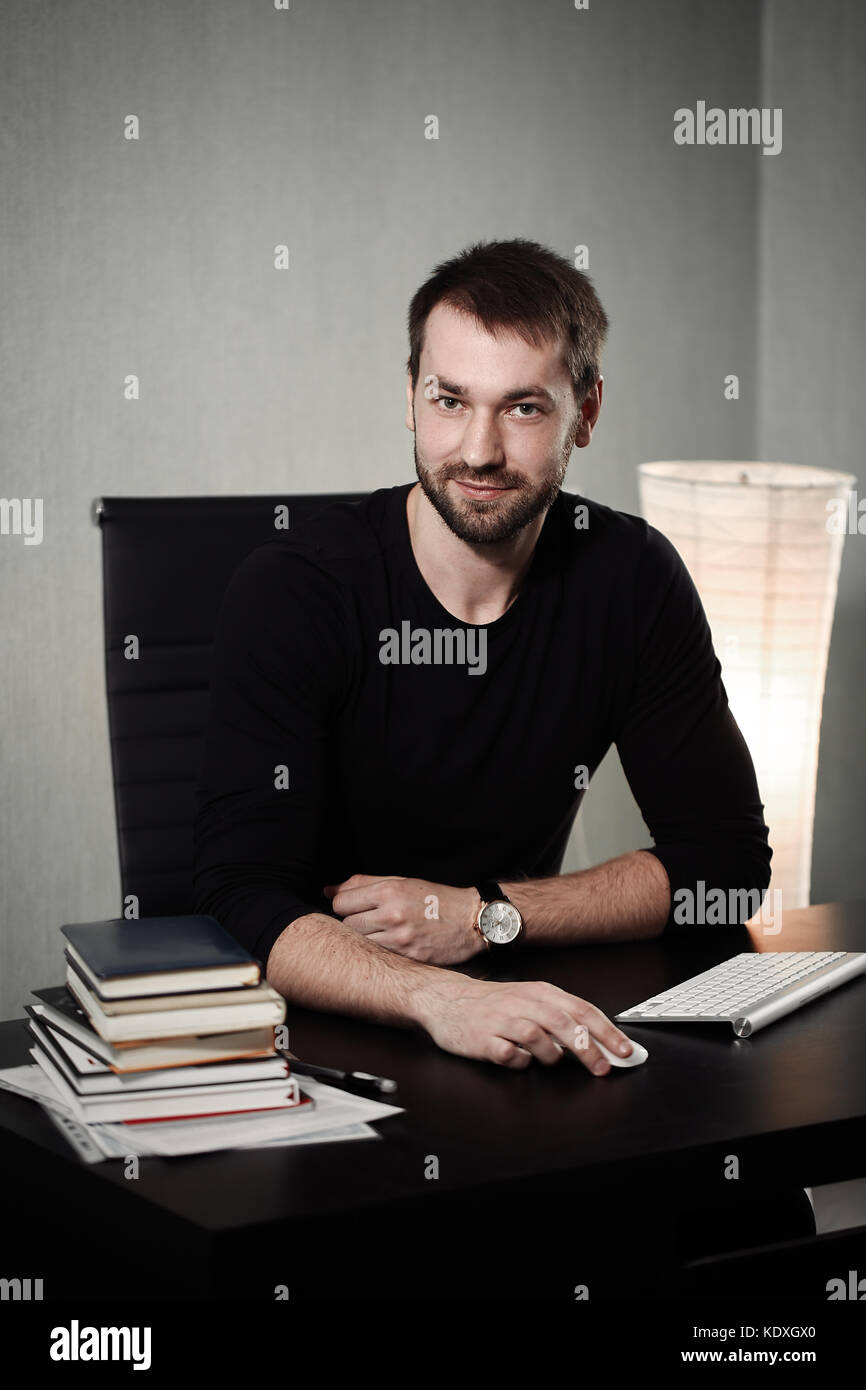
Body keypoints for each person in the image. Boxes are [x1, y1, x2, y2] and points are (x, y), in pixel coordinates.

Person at [193, 237, 775, 1080]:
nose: (478, 450)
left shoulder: (631, 578)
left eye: (525, 408)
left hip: (512, 1016)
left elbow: (724, 863)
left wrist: (485, 916)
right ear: (410, 398)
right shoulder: (295, 589)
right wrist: (438, 996)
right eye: (450, 400)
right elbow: (236, 899)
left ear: (588, 411)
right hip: (308, 1038)